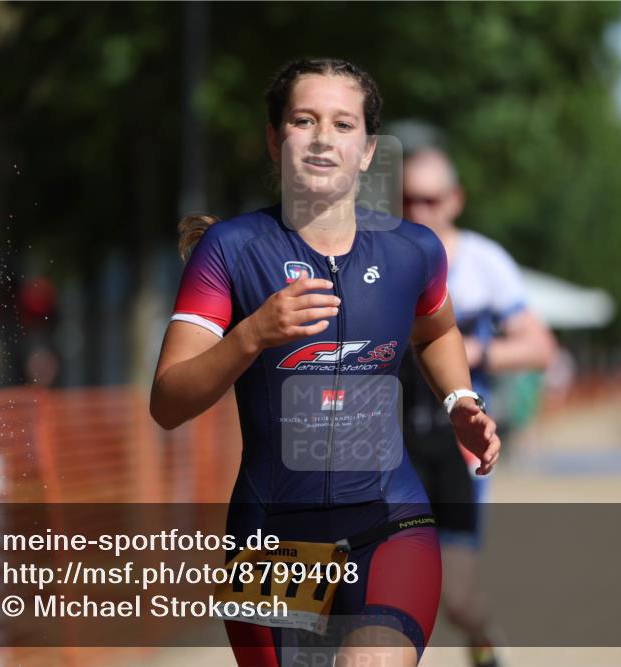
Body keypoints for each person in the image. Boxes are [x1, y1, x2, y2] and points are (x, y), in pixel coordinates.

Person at [150, 59, 501, 667]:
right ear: (273, 137)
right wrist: (253, 333)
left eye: (343, 124)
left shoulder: (412, 250)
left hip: (390, 523)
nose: (321, 137)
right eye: (303, 120)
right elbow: (168, 402)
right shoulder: (230, 251)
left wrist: (459, 401)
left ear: (366, 150)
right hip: (270, 538)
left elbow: (436, 330)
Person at [399, 146, 556, 667]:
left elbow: (540, 347)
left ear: (455, 200)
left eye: (430, 199)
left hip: (459, 452)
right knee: (391, 591)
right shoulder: (380, 256)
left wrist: (469, 351)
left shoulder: (485, 264)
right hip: (390, 447)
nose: (418, 210)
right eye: (406, 199)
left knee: (458, 599)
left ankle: (484, 640)